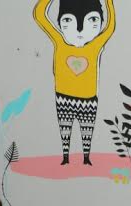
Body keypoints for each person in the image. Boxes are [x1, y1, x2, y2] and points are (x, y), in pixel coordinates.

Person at [32, 0, 117, 166]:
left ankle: (86, 157)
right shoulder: (59, 41)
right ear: (59, 22)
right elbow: (39, 14)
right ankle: (66, 157)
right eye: (68, 20)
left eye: (92, 20)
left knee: (87, 130)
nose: (79, 30)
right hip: (63, 97)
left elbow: (110, 27)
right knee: (65, 129)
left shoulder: (95, 46)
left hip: (88, 99)